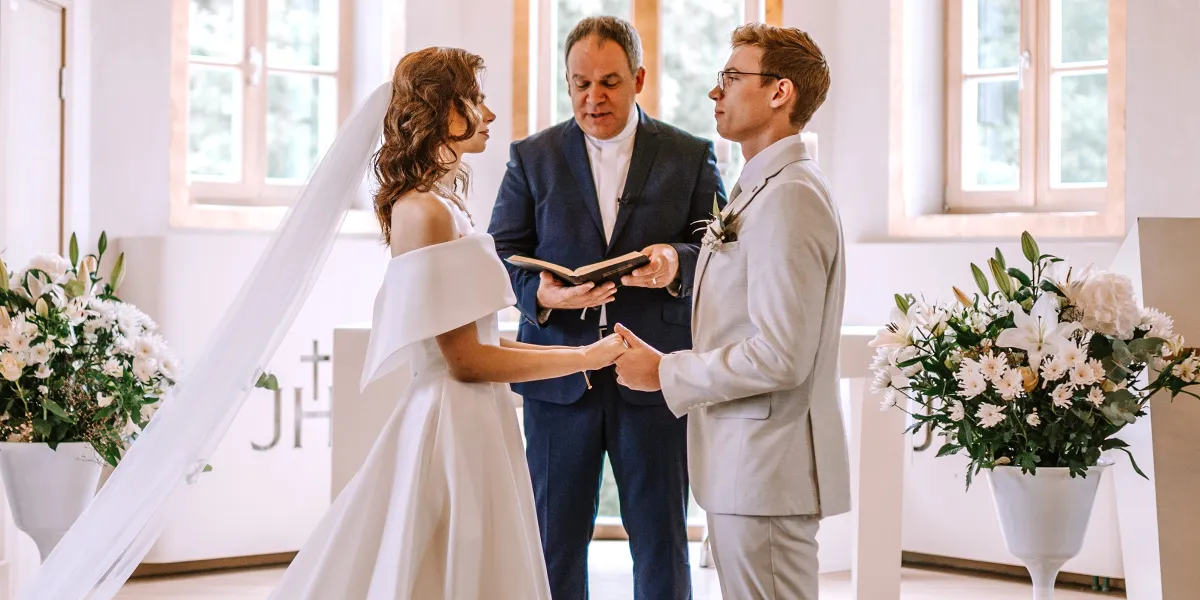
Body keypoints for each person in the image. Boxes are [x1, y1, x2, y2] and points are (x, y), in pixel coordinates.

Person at [15, 48, 626, 600]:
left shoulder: (448, 204)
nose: (489, 114)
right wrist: (581, 357)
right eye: (476, 100)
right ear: (444, 111)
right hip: (449, 421)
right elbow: (464, 359)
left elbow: (475, 340)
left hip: (476, 417)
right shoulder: (422, 212)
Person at [488, 16, 724, 600]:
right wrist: (543, 294)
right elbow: (499, 250)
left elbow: (721, 247)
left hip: (653, 373)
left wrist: (674, 261)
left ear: (638, 78)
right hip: (557, 376)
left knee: (660, 538)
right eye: (580, 83)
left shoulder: (690, 154)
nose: (594, 98)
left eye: (610, 82)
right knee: (553, 541)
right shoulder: (531, 156)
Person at [613, 24, 850, 600]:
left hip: (766, 471)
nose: (714, 93)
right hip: (745, 469)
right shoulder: (761, 188)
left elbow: (781, 356)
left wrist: (665, 371)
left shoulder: (790, 197)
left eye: (731, 78)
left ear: (779, 92)